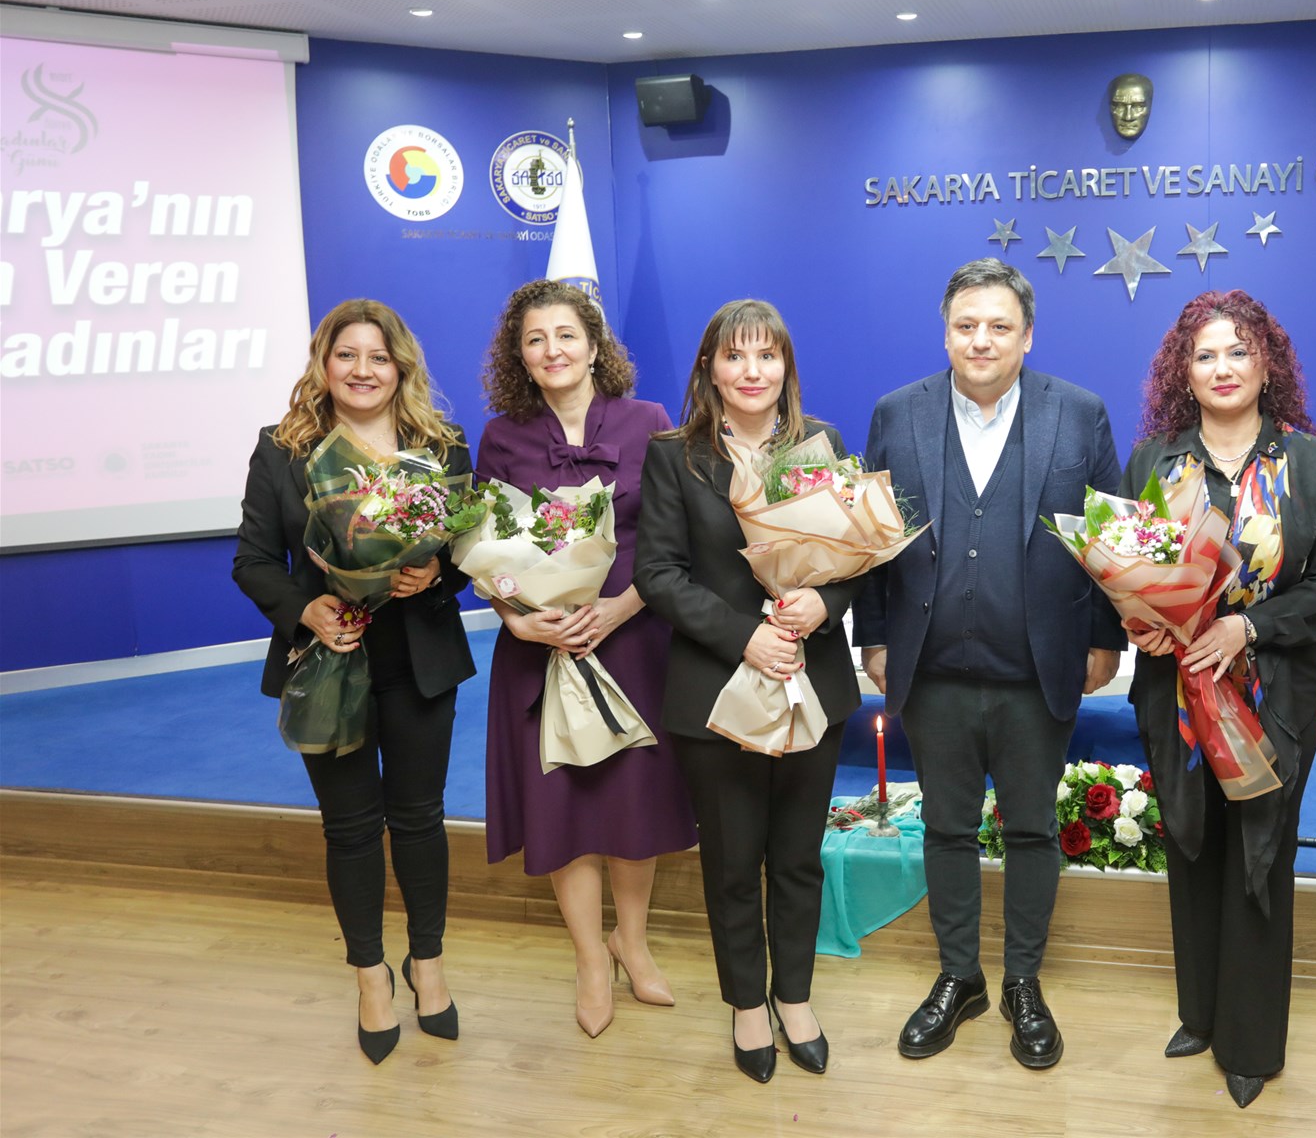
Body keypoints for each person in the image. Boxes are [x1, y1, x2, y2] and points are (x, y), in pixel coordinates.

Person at [854, 258, 1125, 1071]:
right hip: (931, 669)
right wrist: (874, 635)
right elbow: (872, 537)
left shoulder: (1079, 413)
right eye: (966, 325)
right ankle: (960, 977)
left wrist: (1106, 639)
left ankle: (1022, 983)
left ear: (1027, 335)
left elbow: (1110, 536)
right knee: (945, 828)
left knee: (1034, 830)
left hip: (1039, 670)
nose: (981, 339)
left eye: (999, 326)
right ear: (945, 333)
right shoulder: (897, 412)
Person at [1123, 290, 1316, 1108]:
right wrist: (1145, 623)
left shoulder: (1311, 465)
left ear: (1267, 365)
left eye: (1238, 352)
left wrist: (1248, 627)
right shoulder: (1154, 462)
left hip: (1273, 693)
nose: (1222, 368)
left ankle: (1251, 1040)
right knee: (1191, 842)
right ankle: (1200, 1013)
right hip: (1175, 692)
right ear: (1182, 372)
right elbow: (1127, 565)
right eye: (1205, 355)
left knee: (1260, 852)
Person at [232, 299, 475, 1064]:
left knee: (420, 818)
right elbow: (252, 561)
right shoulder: (284, 450)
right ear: (324, 363)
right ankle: (371, 975)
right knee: (349, 828)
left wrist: (436, 572)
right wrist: (305, 610)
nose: (363, 370)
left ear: (400, 367)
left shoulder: (440, 445)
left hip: (419, 663)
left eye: (378, 357)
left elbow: (467, 549)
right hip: (328, 663)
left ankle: (427, 963)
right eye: (347, 355)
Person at [634, 299, 864, 1083]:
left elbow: (857, 556)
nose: (752, 371)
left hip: (811, 681)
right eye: (735, 356)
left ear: (785, 367)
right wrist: (744, 636)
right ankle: (746, 1006)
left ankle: (793, 997)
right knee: (733, 862)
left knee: (798, 858)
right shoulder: (675, 455)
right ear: (710, 368)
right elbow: (657, 574)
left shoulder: (821, 445)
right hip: (717, 690)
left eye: (767, 355)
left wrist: (823, 604)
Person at [474, 279, 698, 1039]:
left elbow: (675, 538)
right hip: (541, 653)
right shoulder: (501, 437)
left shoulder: (650, 422)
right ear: (519, 356)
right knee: (564, 804)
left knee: (635, 801)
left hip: (634, 639)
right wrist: (519, 621)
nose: (552, 350)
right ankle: (589, 961)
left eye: (566, 335)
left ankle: (632, 942)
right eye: (535, 340)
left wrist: (623, 606)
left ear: (595, 345)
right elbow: (484, 553)